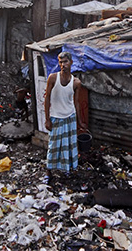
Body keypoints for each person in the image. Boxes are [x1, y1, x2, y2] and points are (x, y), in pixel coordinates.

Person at [44, 51, 84, 183]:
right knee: (53, 146)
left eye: (65, 61)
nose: (63, 64)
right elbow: (47, 98)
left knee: (69, 146)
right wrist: (47, 119)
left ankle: (67, 170)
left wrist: (80, 122)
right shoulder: (53, 78)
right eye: (60, 62)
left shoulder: (76, 82)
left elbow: (76, 102)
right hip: (56, 116)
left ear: (71, 62)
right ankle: (49, 172)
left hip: (70, 116)